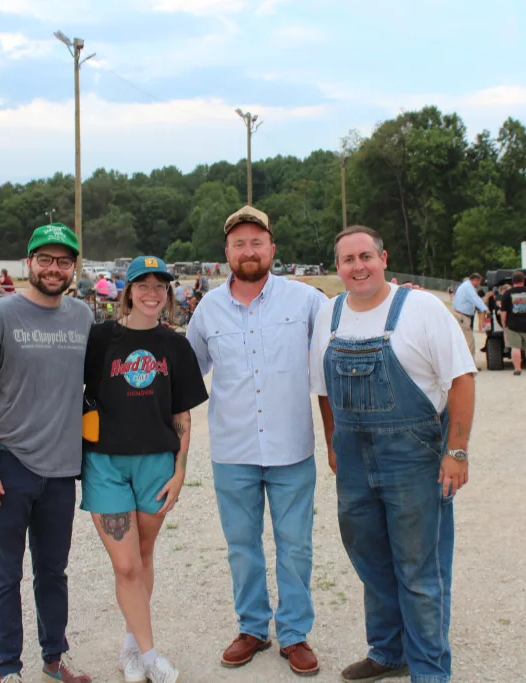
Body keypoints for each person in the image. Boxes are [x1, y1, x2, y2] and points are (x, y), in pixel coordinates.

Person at [310, 226, 476, 683]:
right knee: (373, 562)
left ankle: (429, 671)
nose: (358, 266)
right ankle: (388, 652)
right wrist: (332, 443)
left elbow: (462, 378)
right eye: (347, 259)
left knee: (420, 570)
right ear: (337, 267)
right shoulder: (329, 314)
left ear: (384, 258)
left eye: (366, 256)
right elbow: (323, 391)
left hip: (415, 459)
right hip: (353, 462)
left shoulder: (421, 308)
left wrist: (456, 451)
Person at [186, 205, 327, 677]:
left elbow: (345, 338)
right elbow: (187, 373)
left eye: (257, 242)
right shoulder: (208, 309)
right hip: (233, 451)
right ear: (226, 252)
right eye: (239, 243)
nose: (248, 250)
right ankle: (251, 626)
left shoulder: (305, 302)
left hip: (292, 448)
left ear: (272, 249)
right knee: (241, 546)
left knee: (296, 545)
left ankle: (294, 633)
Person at [0, 222, 94, 683]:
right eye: (46, 259)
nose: (54, 269)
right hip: (8, 463)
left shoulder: (82, 317)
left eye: (63, 261)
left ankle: (55, 657)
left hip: (60, 470)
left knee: (53, 572)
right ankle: (7, 669)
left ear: (73, 266)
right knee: (4, 574)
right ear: (29, 263)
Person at [82, 256, 209, 683]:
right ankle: (151, 656)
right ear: (128, 291)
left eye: (161, 285)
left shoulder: (175, 345)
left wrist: (180, 470)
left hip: (157, 463)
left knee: (144, 555)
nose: (152, 292)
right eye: (143, 284)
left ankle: (131, 646)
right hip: (106, 463)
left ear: (169, 293)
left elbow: (182, 415)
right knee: (125, 565)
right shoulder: (99, 339)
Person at [499, 270, 526, 375]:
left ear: (512, 281)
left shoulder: (507, 293)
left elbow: (503, 312)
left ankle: (517, 369)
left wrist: (504, 324)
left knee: (515, 347)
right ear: (523, 280)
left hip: (513, 324)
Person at [451, 273, 489, 360]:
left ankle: (466, 363)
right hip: (463, 316)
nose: (479, 284)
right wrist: (485, 309)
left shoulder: (464, 286)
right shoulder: (468, 287)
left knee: (464, 340)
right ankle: (469, 365)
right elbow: (475, 298)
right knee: (469, 341)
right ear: (476, 280)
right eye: (479, 282)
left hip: (460, 315)